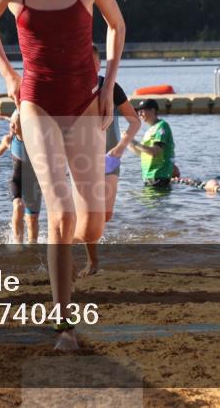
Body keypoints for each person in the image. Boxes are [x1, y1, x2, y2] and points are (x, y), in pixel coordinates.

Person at [0, 0, 125, 351]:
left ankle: (78, 251)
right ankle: (64, 327)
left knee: (92, 222)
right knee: (58, 212)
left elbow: (117, 26)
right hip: (36, 102)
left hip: (83, 103)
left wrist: (107, 87)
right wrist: (8, 75)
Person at [81, 46, 141, 276]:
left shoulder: (111, 87)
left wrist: (121, 147)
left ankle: (84, 241)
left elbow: (134, 121)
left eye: (95, 63)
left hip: (110, 158)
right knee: (91, 211)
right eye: (86, 62)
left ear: (99, 64)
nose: (91, 67)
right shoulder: (74, 89)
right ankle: (92, 261)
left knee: (105, 214)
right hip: (83, 158)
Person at [0, 111, 42, 244]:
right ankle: (17, 244)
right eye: (11, 123)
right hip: (16, 181)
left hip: (33, 184)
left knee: (32, 220)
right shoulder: (10, 140)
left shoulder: (35, 142)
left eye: (15, 124)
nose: (12, 127)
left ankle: (33, 249)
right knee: (18, 206)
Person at [128, 99, 174, 189]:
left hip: (159, 177)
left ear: (153, 110)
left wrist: (135, 142)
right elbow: (142, 153)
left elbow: (155, 152)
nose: (139, 114)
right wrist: (128, 142)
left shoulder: (162, 126)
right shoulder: (149, 130)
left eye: (142, 111)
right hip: (148, 177)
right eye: (138, 111)